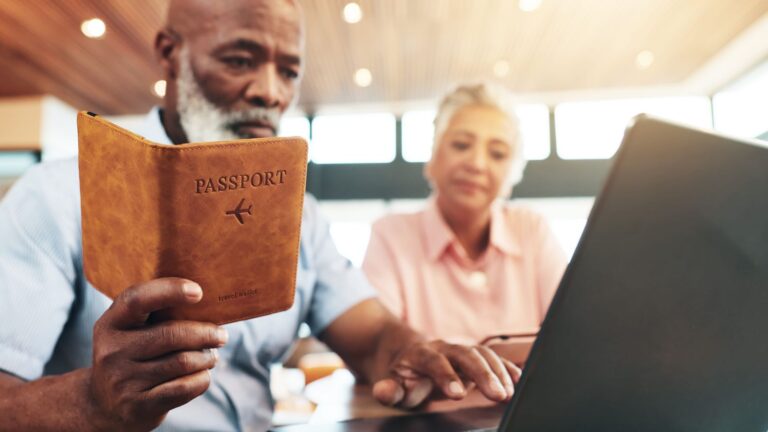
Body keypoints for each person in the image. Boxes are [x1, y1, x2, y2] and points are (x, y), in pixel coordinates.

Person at [0, 2, 520, 431]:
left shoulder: (301, 217)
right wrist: (94, 400)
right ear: (169, 53)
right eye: (240, 59)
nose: (270, 91)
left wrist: (414, 351)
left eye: (288, 71)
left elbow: (372, 336)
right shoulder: (56, 195)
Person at [362, 83, 568, 351]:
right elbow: (376, 348)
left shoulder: (532, 229)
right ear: (432, 158)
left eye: (497, 154)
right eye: (460, 145)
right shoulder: (391, 235)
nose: (477, 164)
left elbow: (569, 338)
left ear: (512, 176)